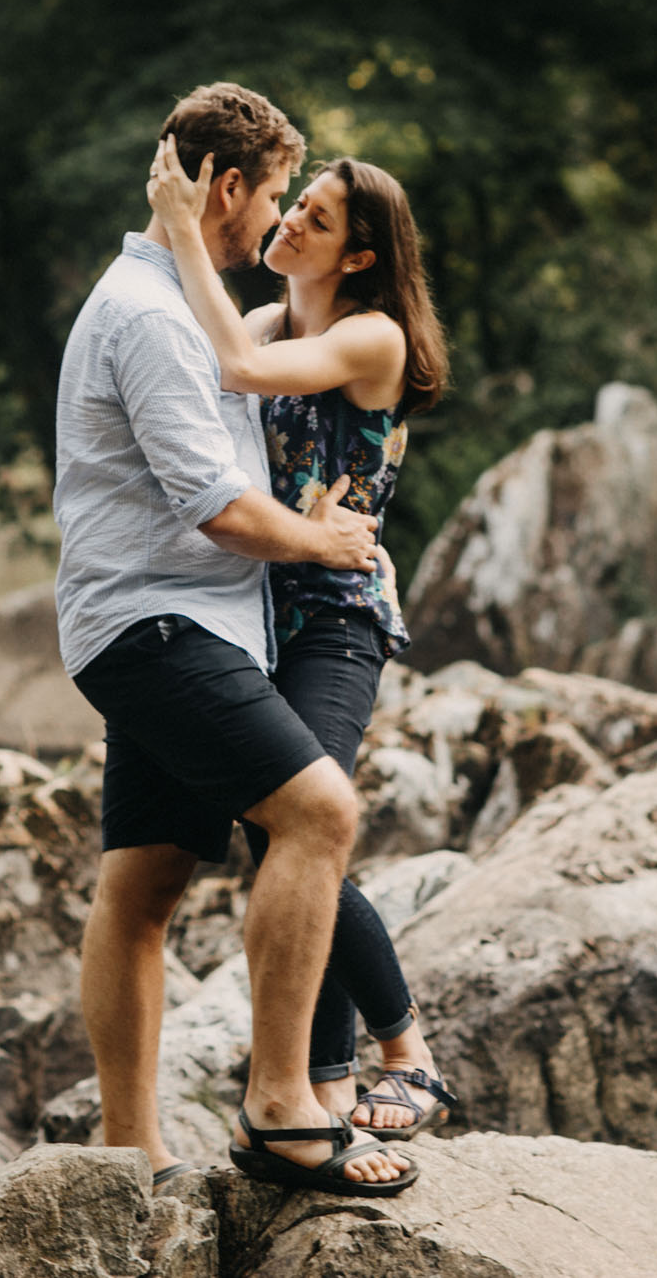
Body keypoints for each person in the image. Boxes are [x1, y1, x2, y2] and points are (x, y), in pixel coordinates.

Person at [57, 82, 419, 1196]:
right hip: (161, 623)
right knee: (317, 811)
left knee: (145, 879)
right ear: (226, 189)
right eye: (272, 196)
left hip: (178, 618)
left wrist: (332, 529)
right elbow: (217, 507)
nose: (275, 220)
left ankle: (133, 1149)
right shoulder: (154, 313)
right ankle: (282, 1105)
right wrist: (324, 541)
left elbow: (272, 399)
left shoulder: (186, 298)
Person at [144, 138, 461, 1146]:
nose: (287, 223)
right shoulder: (276, 315)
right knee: (289, 838)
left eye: (314, 219)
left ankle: (405, 1054)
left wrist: (184, 228)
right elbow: (201, 378)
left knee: (302, 828)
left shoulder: (372, 339)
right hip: (255, 610)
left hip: (333, 620)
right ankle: (324, 1083)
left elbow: (233, 366)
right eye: (294, 205)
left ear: (360, 256)